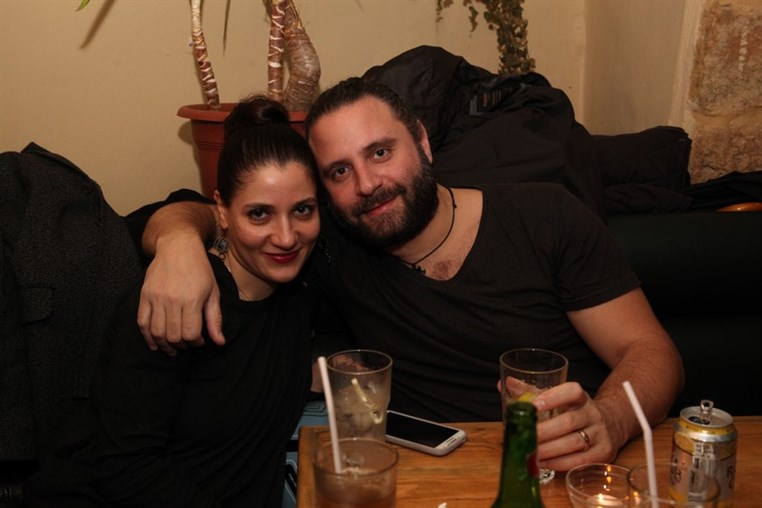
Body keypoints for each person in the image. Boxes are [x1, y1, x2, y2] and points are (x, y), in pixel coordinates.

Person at [137, 78, 684, 473]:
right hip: (434, 477)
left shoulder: (544, 216)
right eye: (339, 171)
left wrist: (610, 420)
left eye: (380, 152)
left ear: (422, 143)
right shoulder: (325, 245)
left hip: (571, 471)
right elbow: (202, 212)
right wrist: (179, 242)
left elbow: (651, 351)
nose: (366, 184)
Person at [24, 96, 321, 507]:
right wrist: (177, 236)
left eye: (303, 210)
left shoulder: (299, 291)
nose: (286, 237)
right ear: (221, 210)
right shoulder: (179, 300)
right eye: (259, 214)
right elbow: (124, 466)